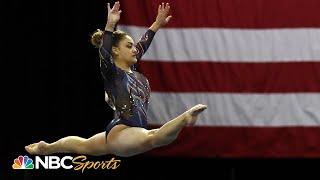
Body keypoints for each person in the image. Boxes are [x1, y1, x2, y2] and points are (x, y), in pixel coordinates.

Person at [25, 1, 207, 157]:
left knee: (83, 145)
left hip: (124, 132)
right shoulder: (112, 72)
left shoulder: (131, 70)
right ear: (115, 50)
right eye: (129, 46)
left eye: (134, 46)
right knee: (154, 138)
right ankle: (184, 118)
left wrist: (156, 24)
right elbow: (104, 51)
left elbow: (143, 44)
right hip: (124, 131)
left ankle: (47, 148)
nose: (135, 49)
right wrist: (110, 26)